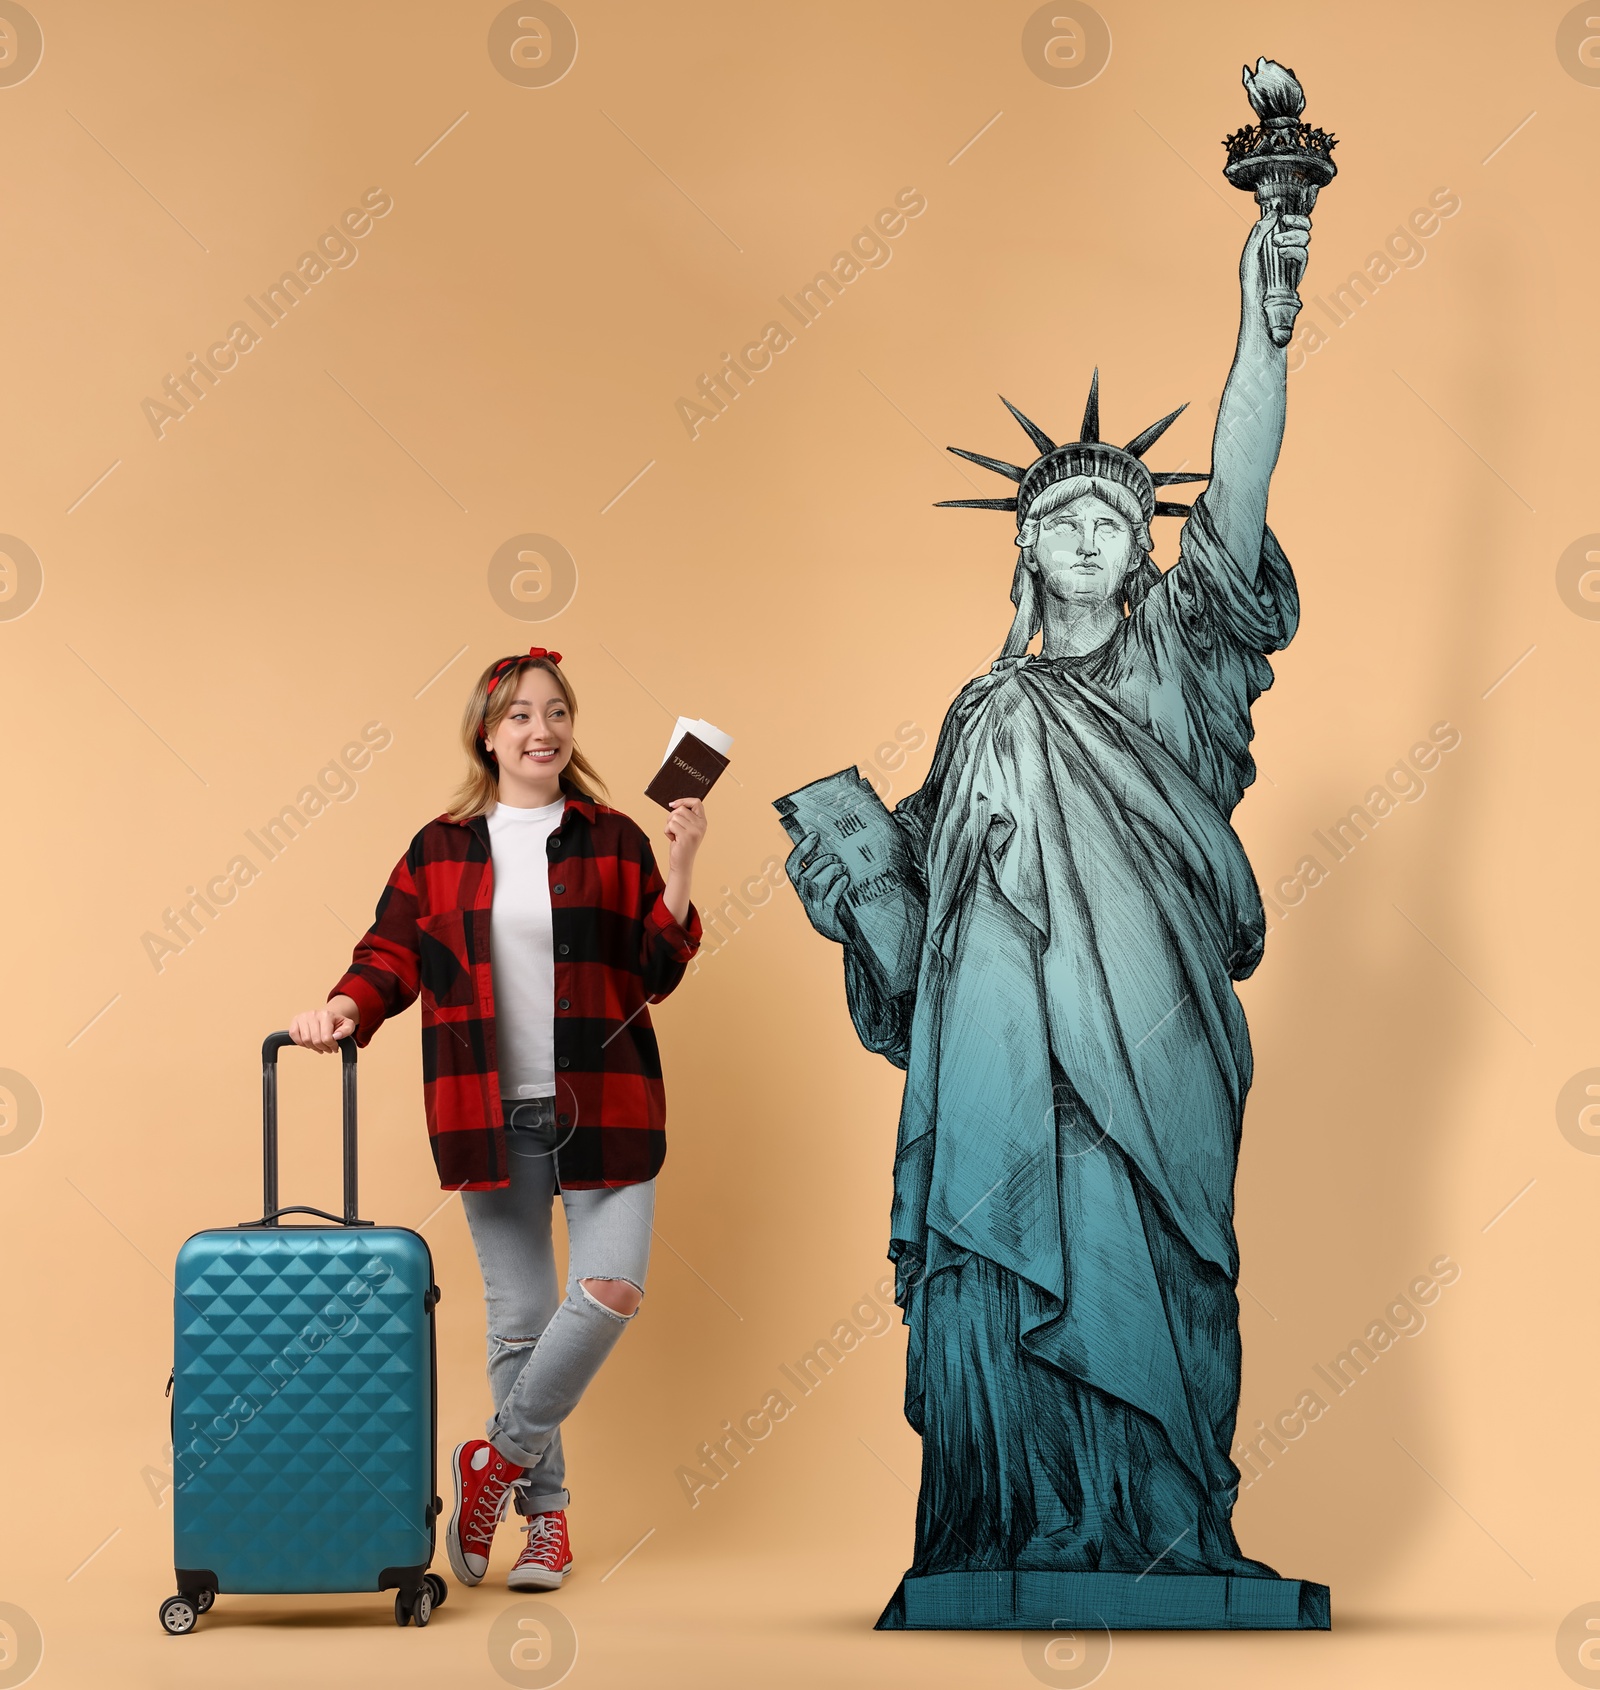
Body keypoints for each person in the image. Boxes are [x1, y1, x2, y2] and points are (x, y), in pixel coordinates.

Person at [786, 210, 1311, 1584]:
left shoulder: (1183, 663)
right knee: (1009, 1266)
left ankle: (1170, 1526)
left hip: (1154, 1043)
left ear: (1147, 549)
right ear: (1023, 546)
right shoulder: (985, 713)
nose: (1089, 528)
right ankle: (1019, 1525)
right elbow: (924, 927)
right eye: (1061, 514)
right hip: (1011, 1069)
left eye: (1117, 516)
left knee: (1163, 1273)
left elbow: (1241, 494)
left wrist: (1262, 331)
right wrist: (849, 882)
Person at [289, 646, 705, 1591]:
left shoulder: (613, 836)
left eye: (557, 713)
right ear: (487, 732)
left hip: (607, 1102)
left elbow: (657, 970)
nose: (542, 730)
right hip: (487, 1108)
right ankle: (545, 1523)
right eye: (520, 715)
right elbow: (387, 958)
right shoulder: (439, 847)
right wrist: (342, 1011)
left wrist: (680, 865)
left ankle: (497, 1461)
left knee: (611, 1288)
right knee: (519, 1325)